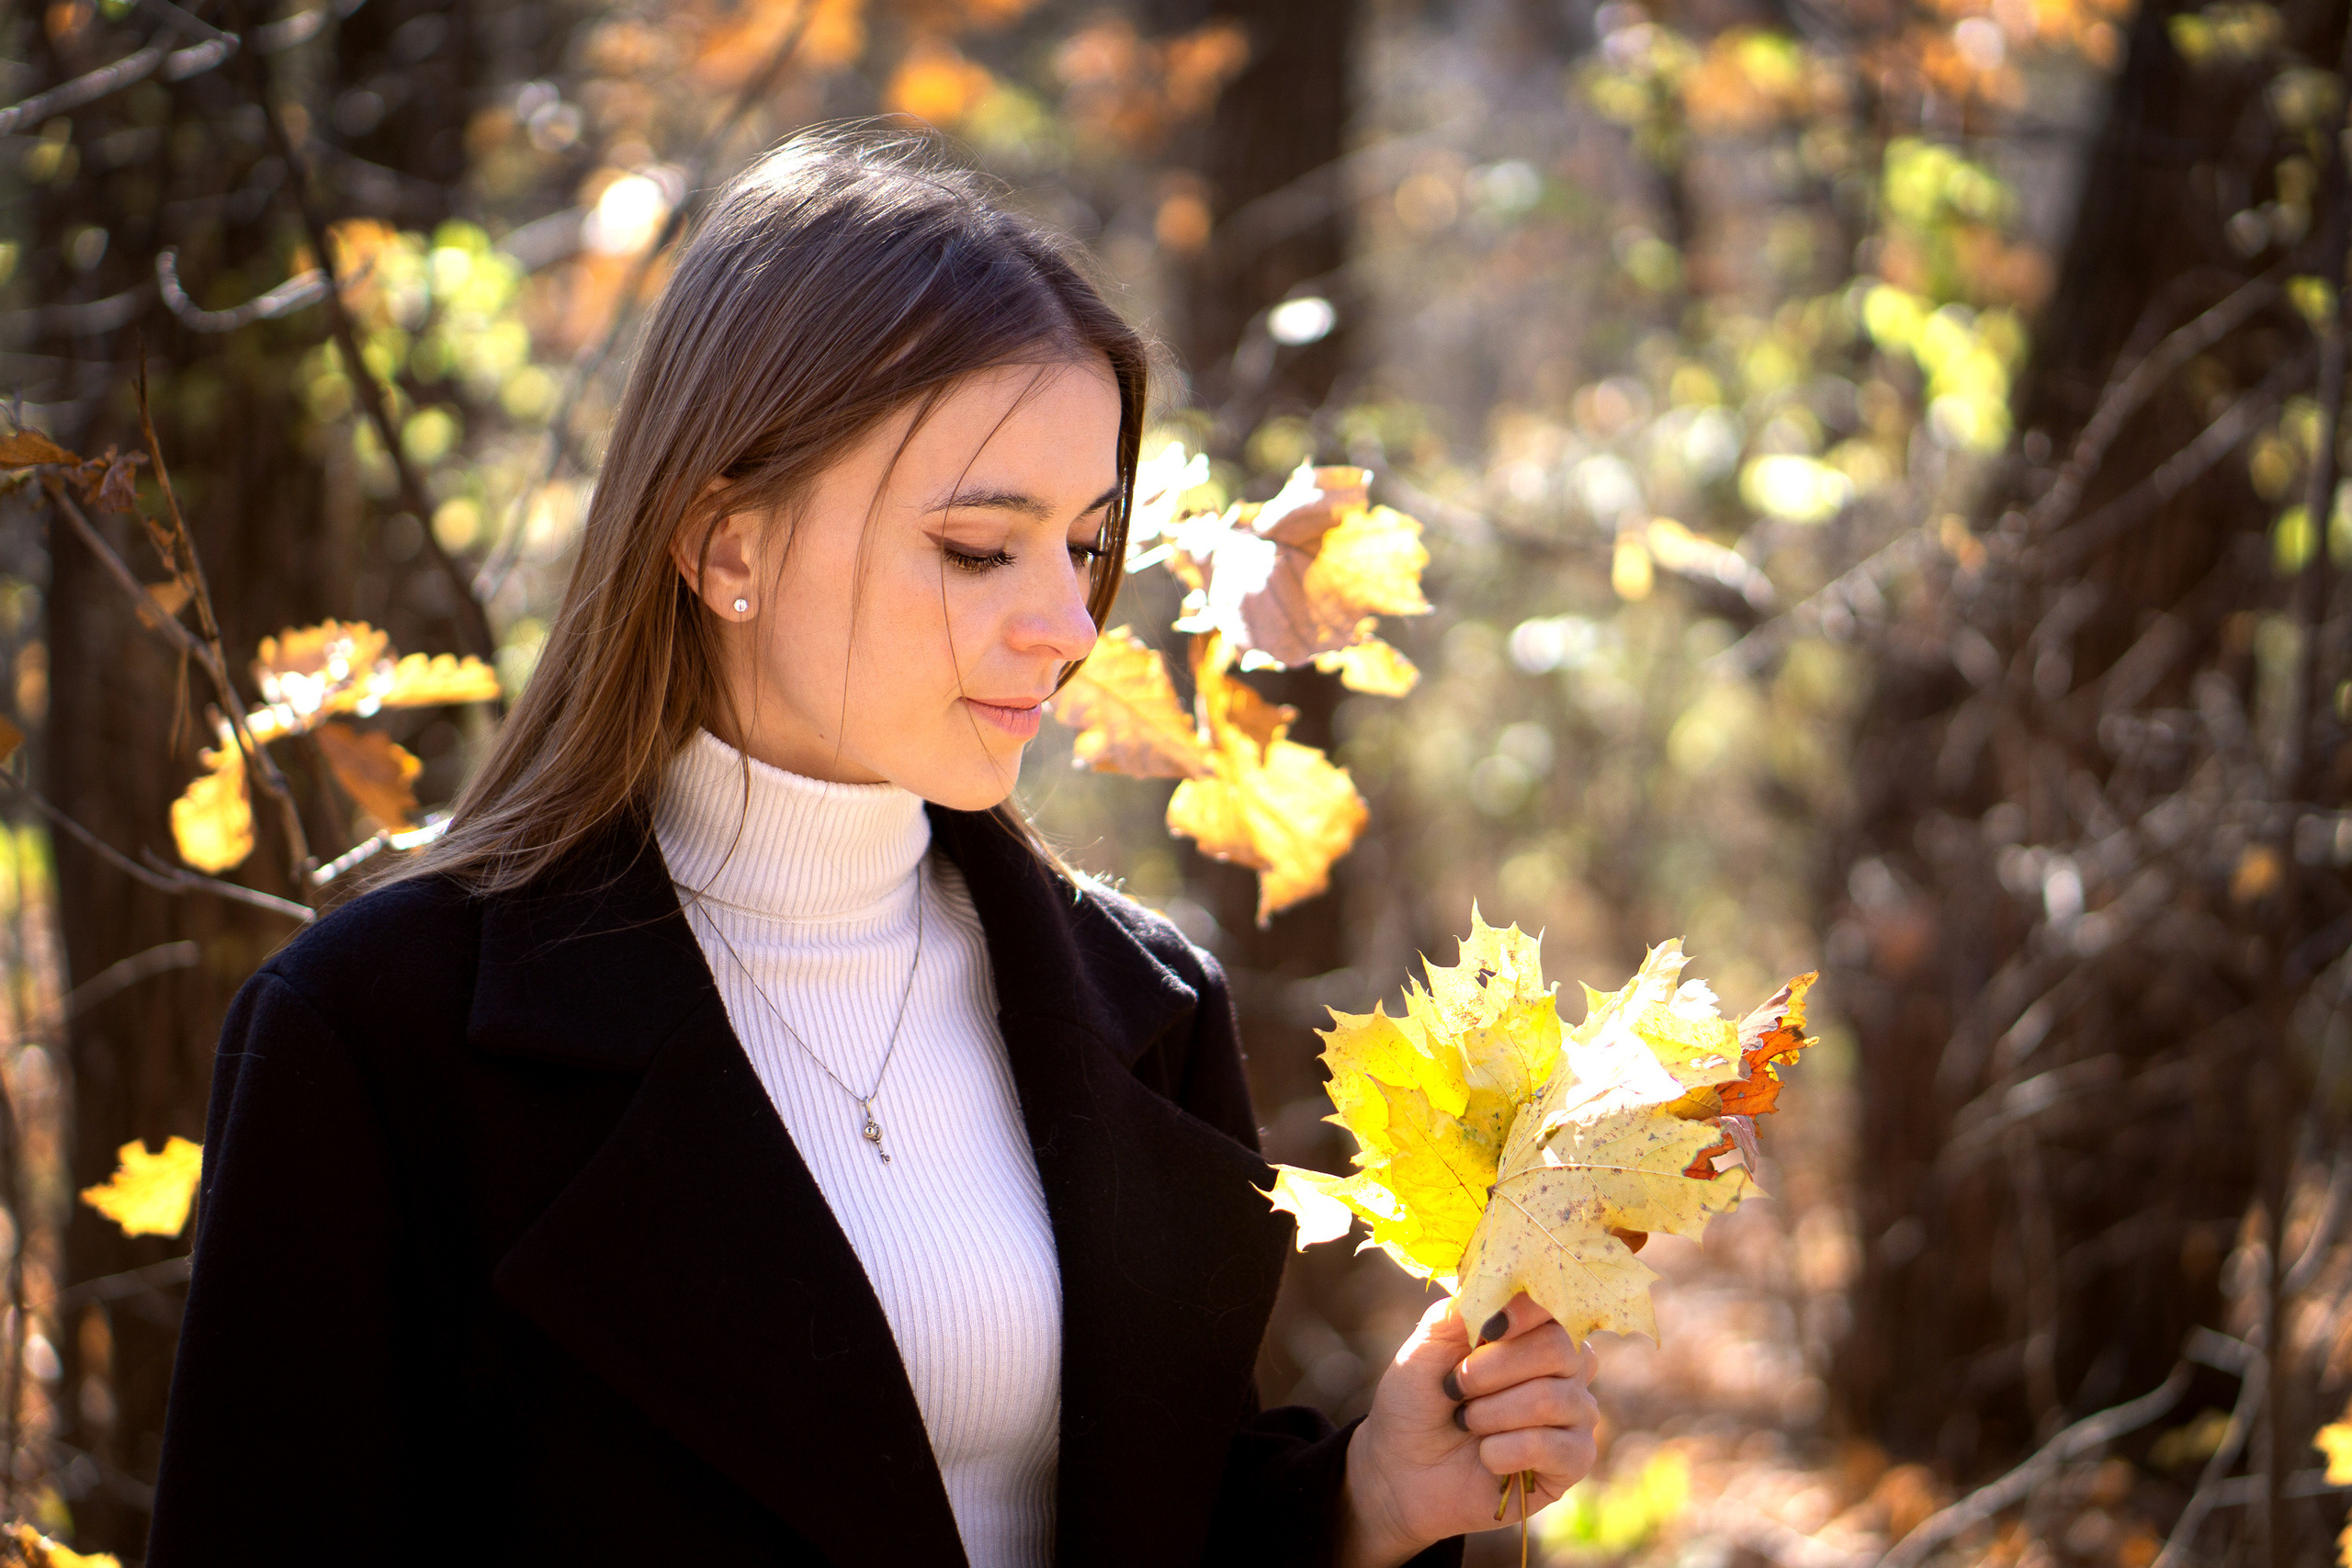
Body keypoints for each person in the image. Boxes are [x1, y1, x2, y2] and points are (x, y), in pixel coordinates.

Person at [146, 129, 1600, 1566]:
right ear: (728, 548)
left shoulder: (1140, 1009)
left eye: (1087, 545)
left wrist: (1362, 1506)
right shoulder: (376, 1038)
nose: (1072, 626)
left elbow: (1154, 1519)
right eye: (980, 546)